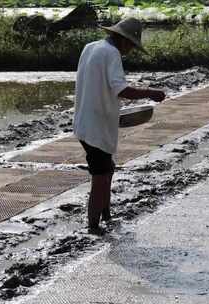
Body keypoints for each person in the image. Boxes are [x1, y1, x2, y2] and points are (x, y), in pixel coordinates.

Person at [73, 17, 166, 235]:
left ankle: (106, 215)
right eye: (132, 47)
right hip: (96, 126)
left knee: (107, 169)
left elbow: (100, 86)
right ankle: (94, 226)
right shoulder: (111, 53)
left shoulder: (91, 47)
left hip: (85, 121)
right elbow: (121, 89)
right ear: (125, 41)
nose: (130, 51)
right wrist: (151, 93)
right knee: (101, 176)